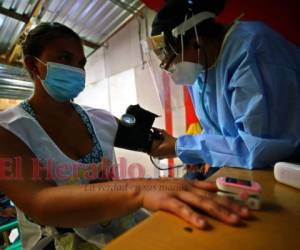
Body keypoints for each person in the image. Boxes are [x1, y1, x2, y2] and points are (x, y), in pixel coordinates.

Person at [0, 22, 250, 249]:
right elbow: (40, 202)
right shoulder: (11, 129)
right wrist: (140, 189)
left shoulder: (99, 120)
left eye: (81, 64)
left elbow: (158, 145)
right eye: (64, 58)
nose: (76, 70)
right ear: (34, 64)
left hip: (125, 233)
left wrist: (195, 149)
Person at [149, 0, 300, 171]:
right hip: (254, 167)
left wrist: (181, 147)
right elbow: (219, 135)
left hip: (289, 166)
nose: (169, 69)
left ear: (196, 42)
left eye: (171, 59)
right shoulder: (199, 71)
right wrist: (201, 156)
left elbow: (258, 149)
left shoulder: (249, 51)